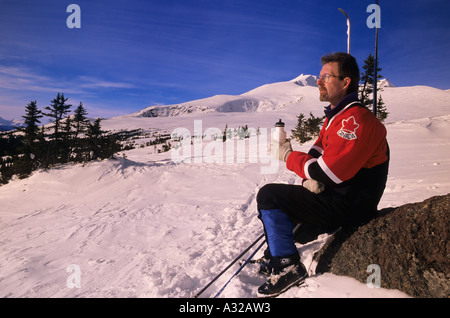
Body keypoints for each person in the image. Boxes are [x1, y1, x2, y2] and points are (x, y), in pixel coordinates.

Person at [256, 52, 390, 297]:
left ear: (345, 82)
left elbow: (328, 171)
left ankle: (288, 267)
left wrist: (288, 157)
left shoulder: (356, 119)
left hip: (351, 204)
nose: (319, 82)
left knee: (269, 196)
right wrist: (308, 178)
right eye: (319, 77)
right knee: (289, 212)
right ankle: (278, 255)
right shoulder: (335, 117)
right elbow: (317, 152)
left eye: (325, 77)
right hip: (339, 196)